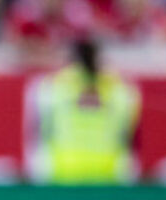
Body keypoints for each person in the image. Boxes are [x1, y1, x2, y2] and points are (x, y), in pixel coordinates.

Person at [25, 39, 141, 184]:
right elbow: (130, 138)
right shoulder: (121, 88)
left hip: (62, 173)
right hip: (108, 174)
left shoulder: (50, 86)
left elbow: (38, 133)